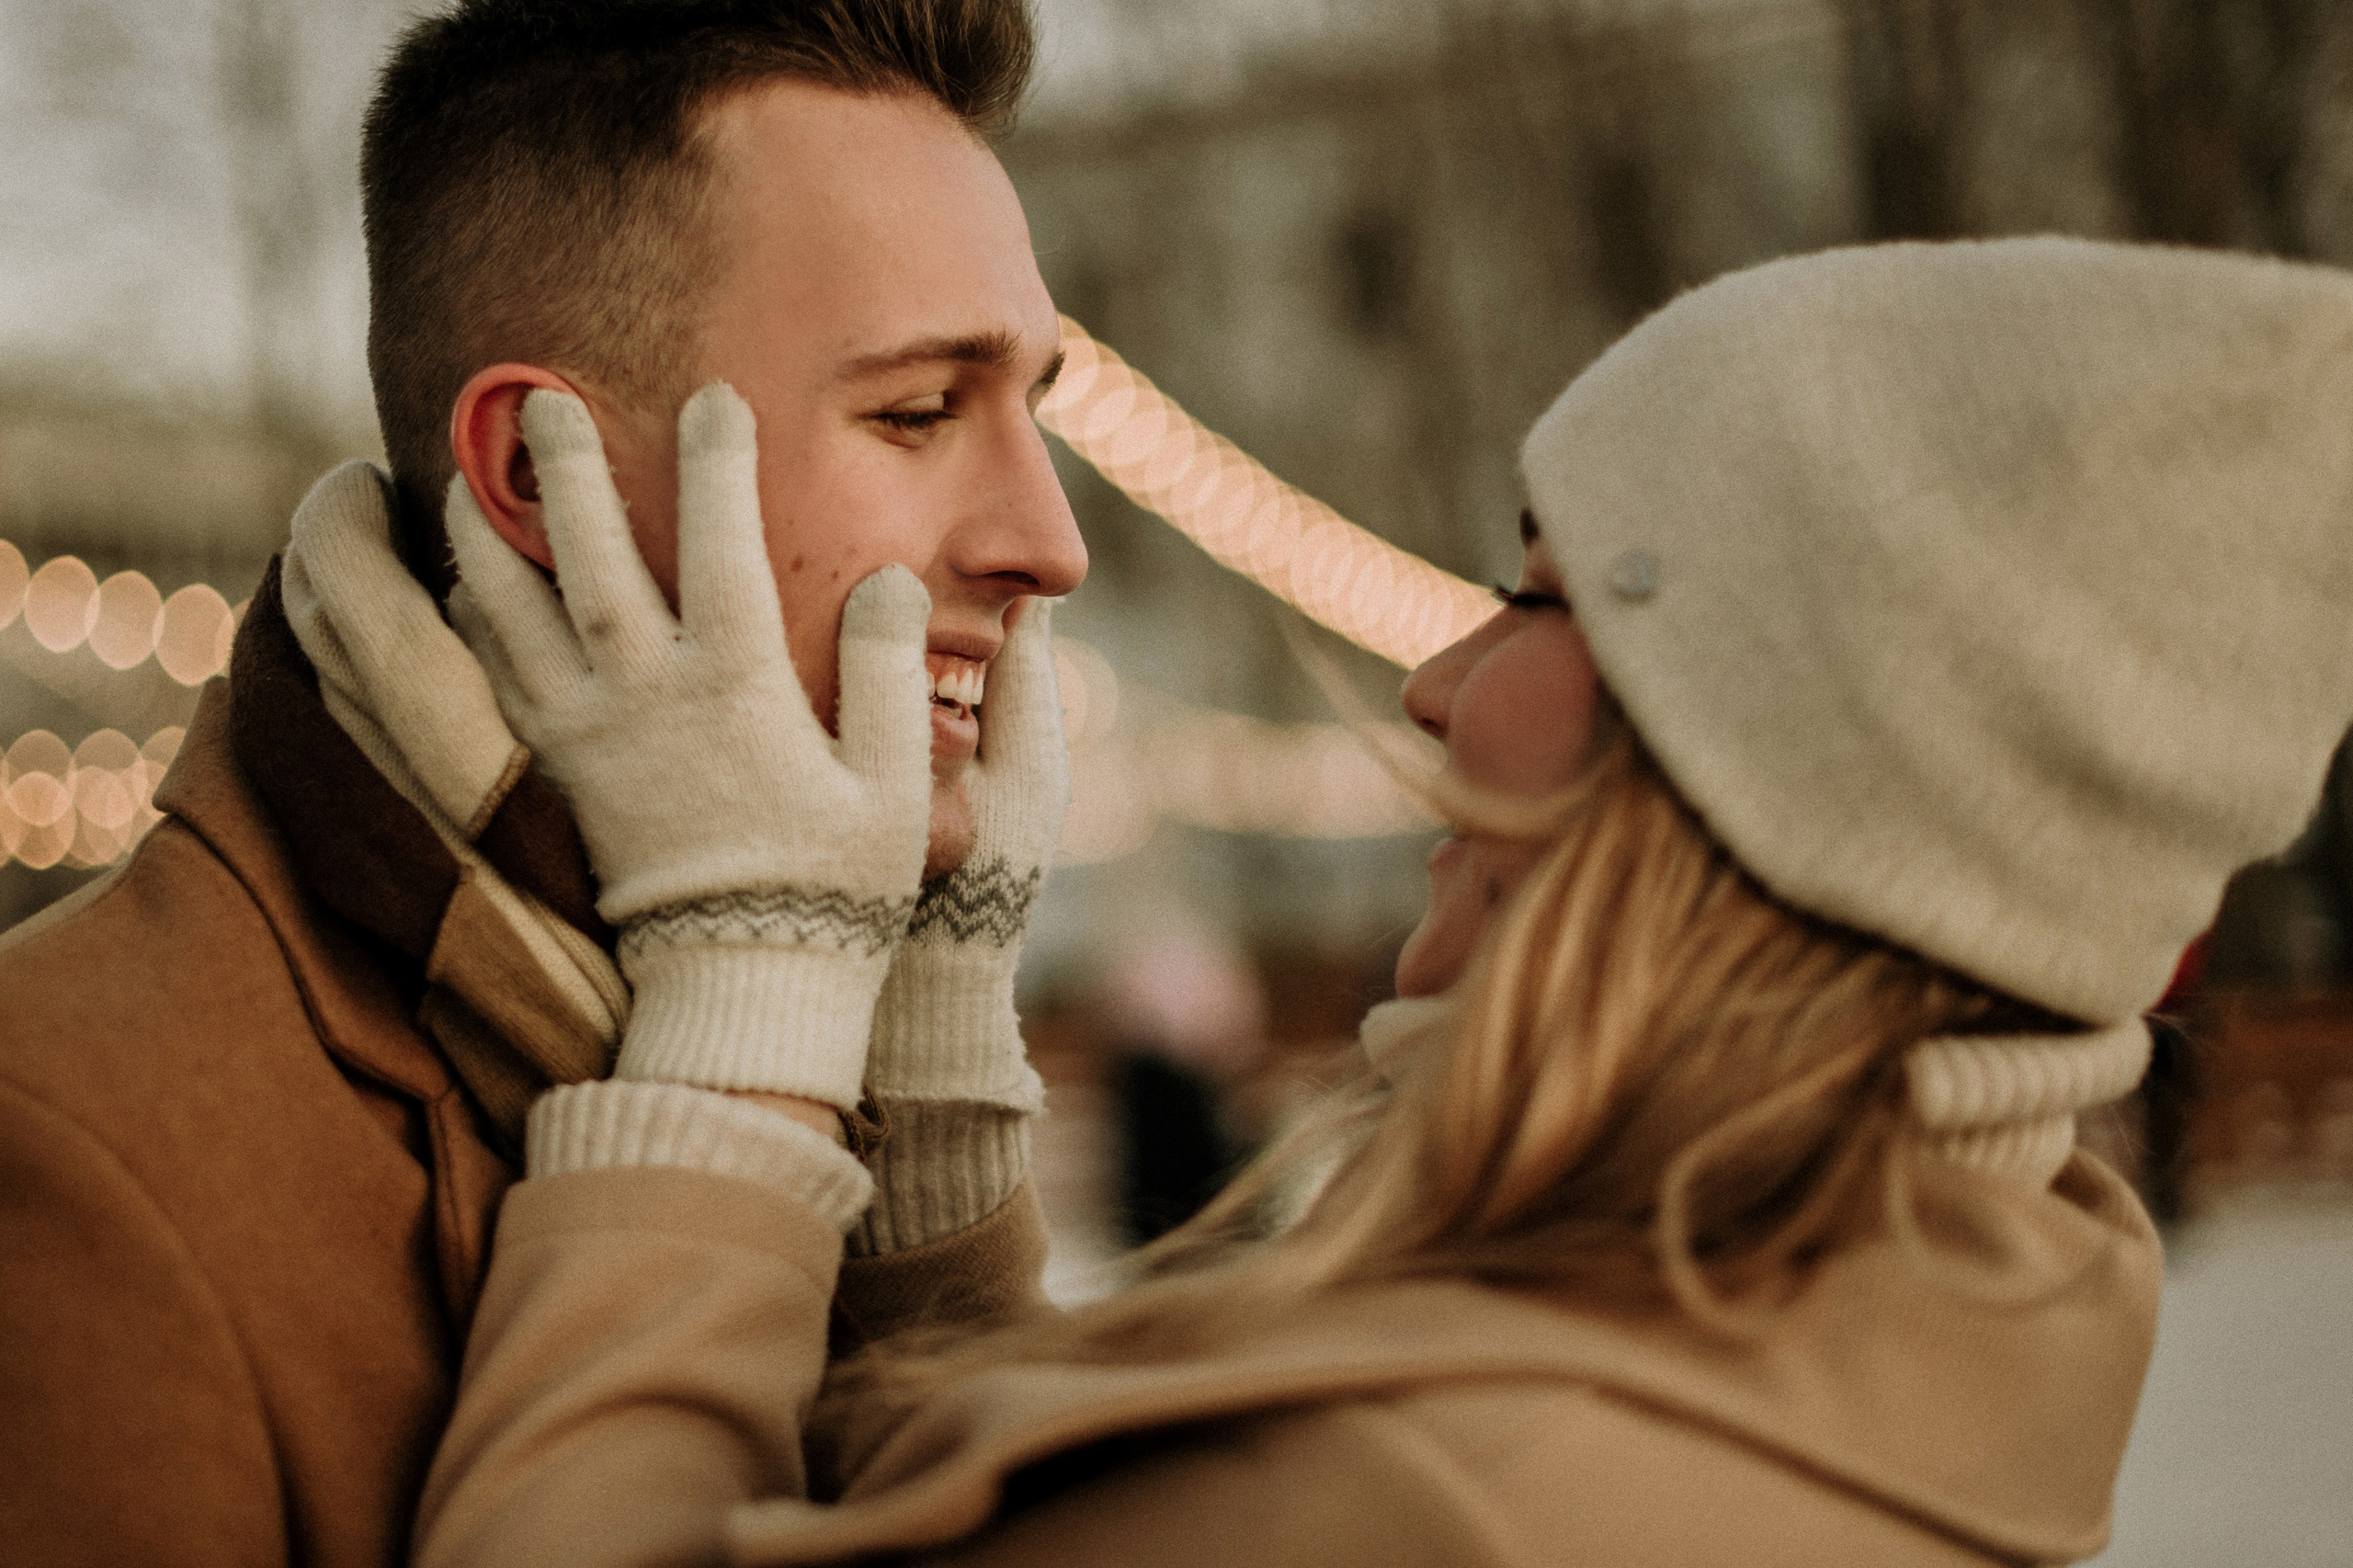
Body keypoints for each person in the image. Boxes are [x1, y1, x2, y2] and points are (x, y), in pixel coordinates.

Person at [413, 235, 2353, 1566]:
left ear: (1787, 751)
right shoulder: (1963, 1304)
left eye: (1538, 594)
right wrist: (928, 1063)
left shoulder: (1427, 1499)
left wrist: (750, 990)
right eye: (919, 406)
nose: (1433, 680)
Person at [0, 3, 1080, 1563]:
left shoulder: (881, 1035)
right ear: (531, 478)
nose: (1050, 541)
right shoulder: (66, 1150)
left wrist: (931, 1158)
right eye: (918, 411)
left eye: (1032, 409)